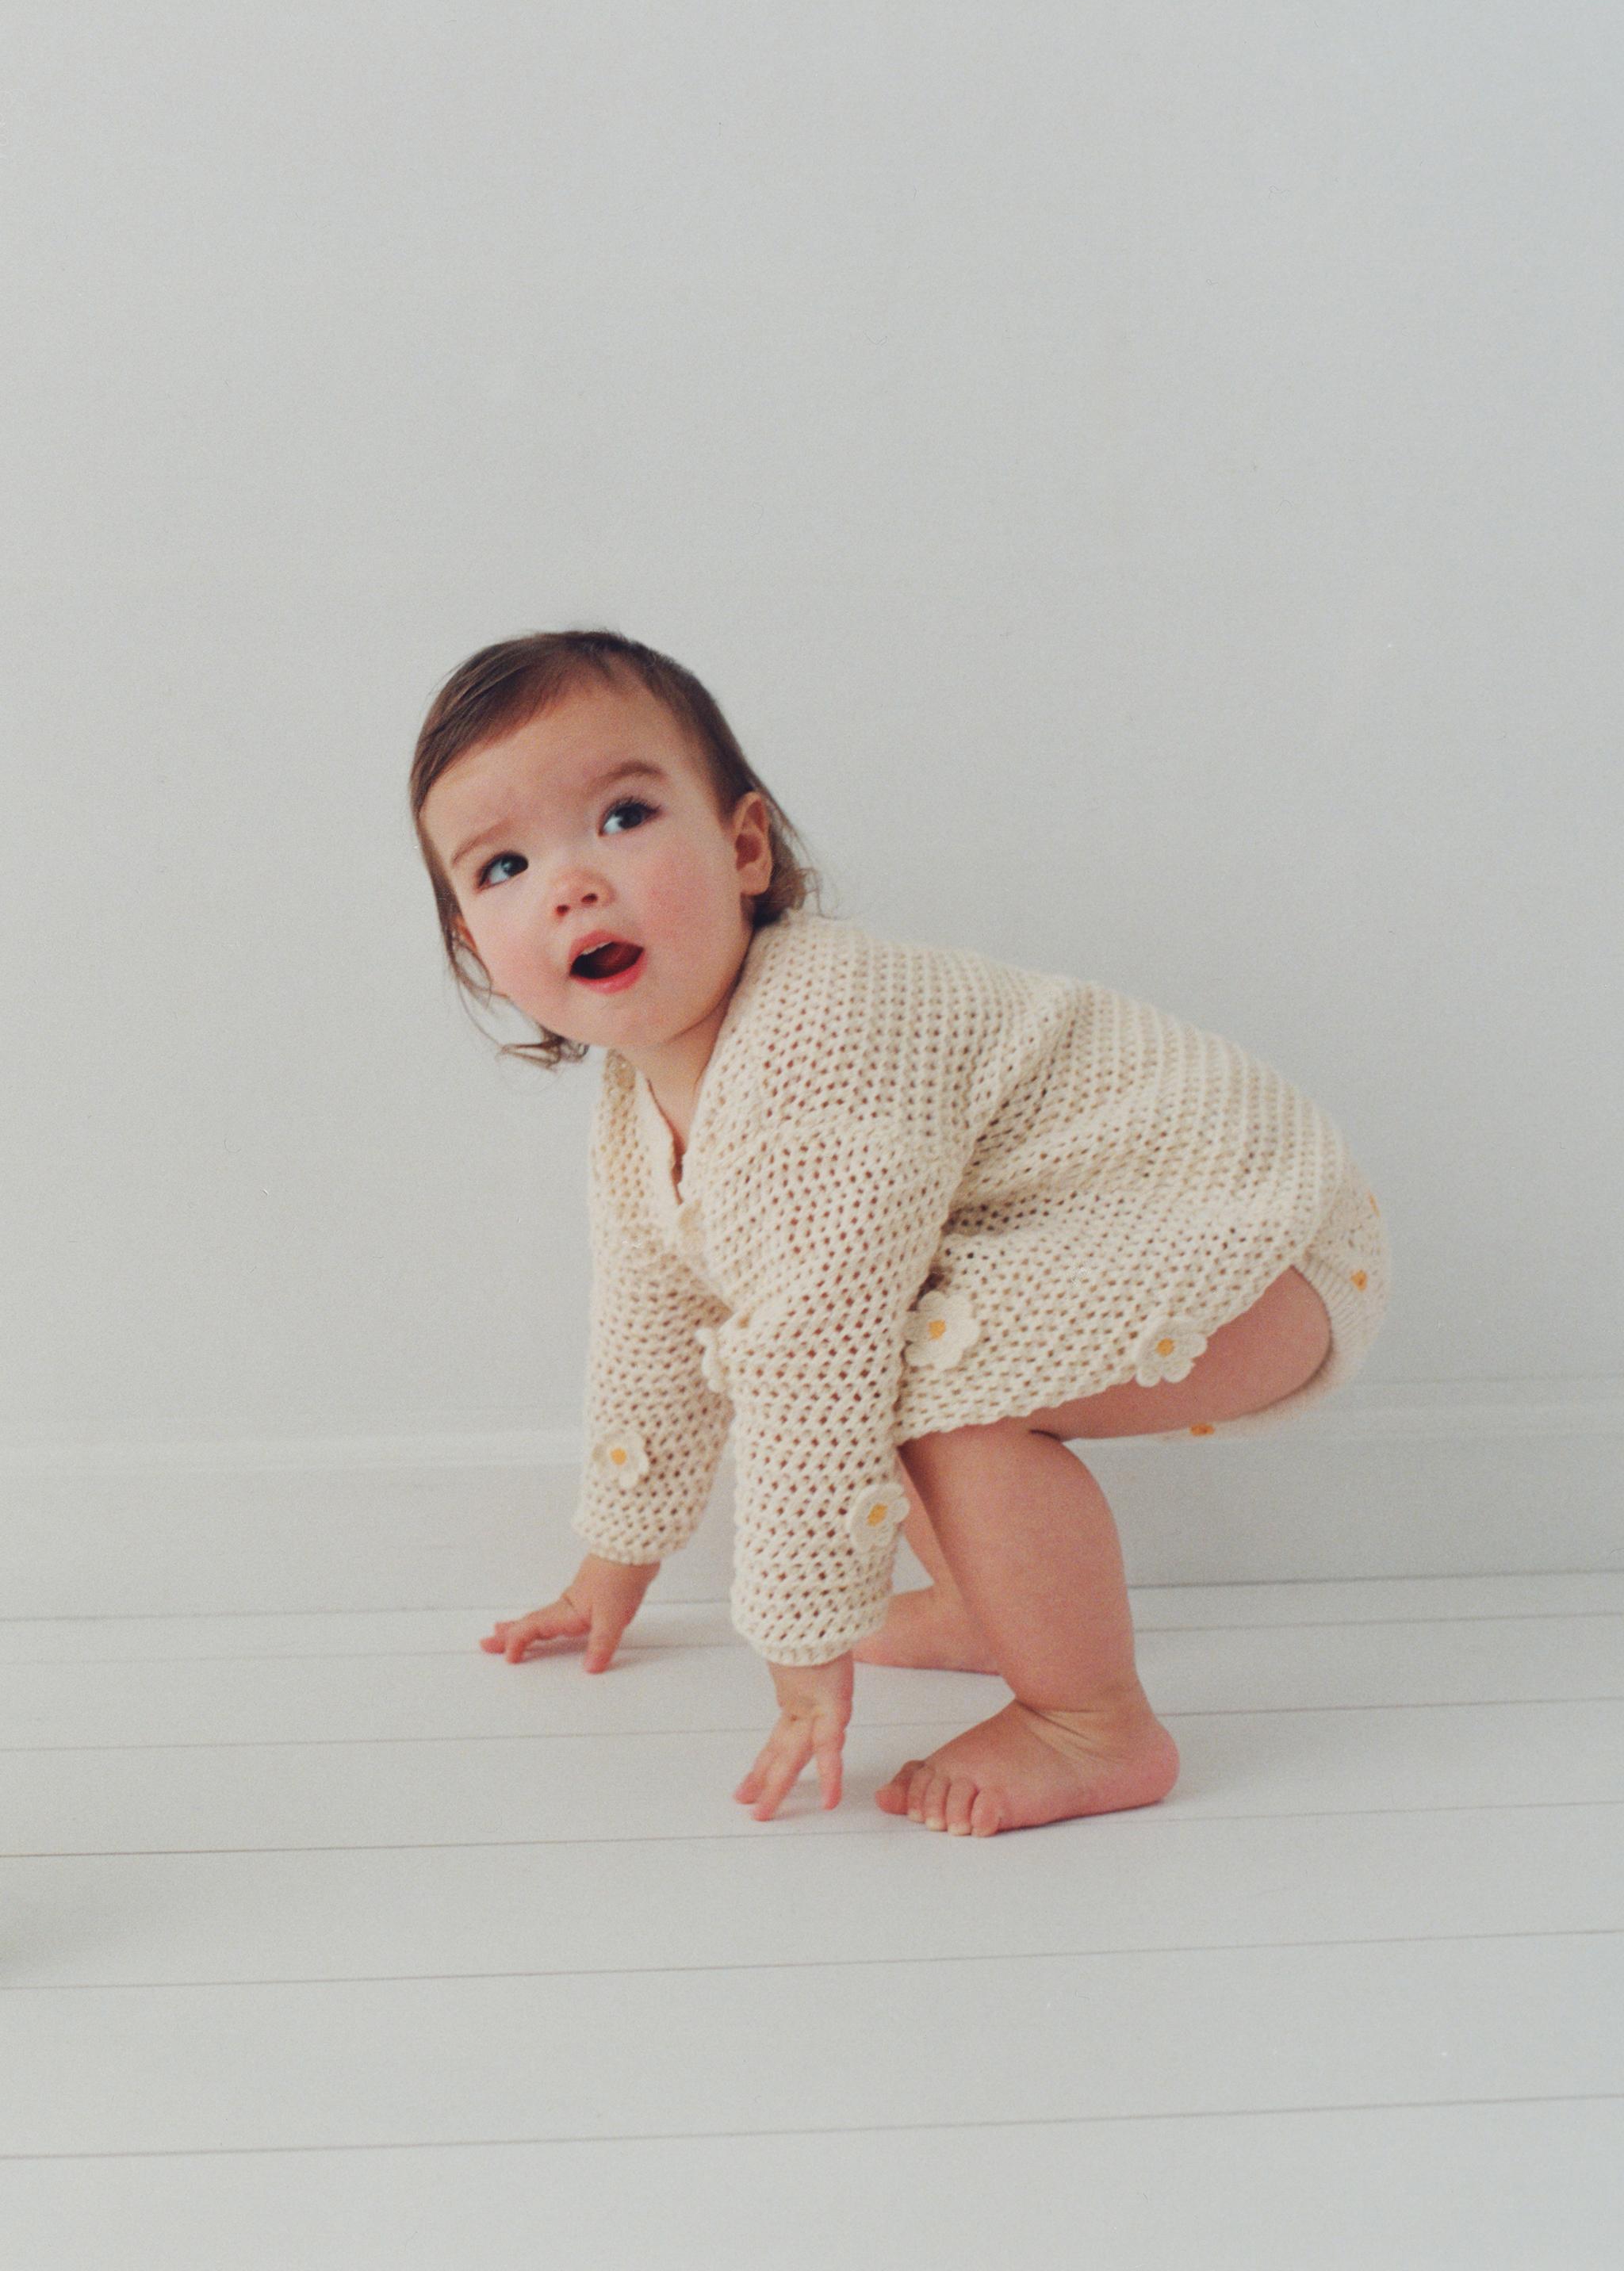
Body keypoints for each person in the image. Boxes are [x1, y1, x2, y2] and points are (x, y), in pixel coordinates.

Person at [411, 628, 1391, 1840]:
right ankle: (998, 1606)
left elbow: (814, 1356)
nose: (571, 882)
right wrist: (609, 1568)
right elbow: (654, 1336)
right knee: (904, 1342)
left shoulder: (819, 1030)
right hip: (1160, 1229)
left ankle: (1093, 1721)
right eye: (503, 865)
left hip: (1255, 1226)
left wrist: (803, 1641)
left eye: (621, 817)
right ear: (474, 947)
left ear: (744, 849)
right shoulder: (640, 1107)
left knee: (905, 1361)